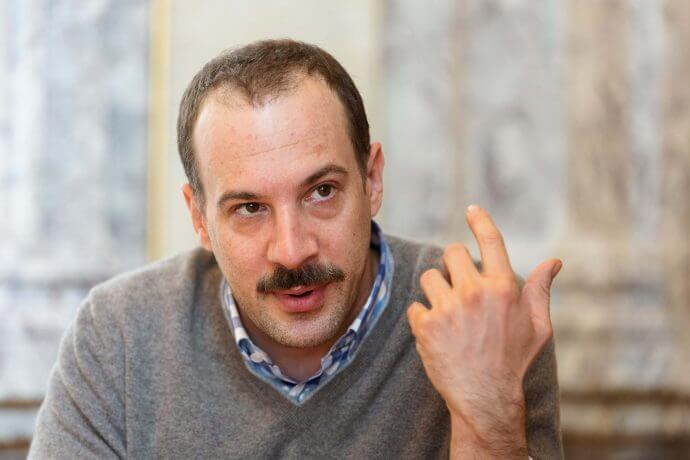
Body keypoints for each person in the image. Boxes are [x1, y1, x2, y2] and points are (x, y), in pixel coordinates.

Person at [29, 39, 563, 459]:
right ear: (199, 218)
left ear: (372, 180)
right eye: (249, 208)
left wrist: (488, 422)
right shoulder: (119, 335)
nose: (291, 251)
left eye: (322, 192)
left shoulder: (483, 316)